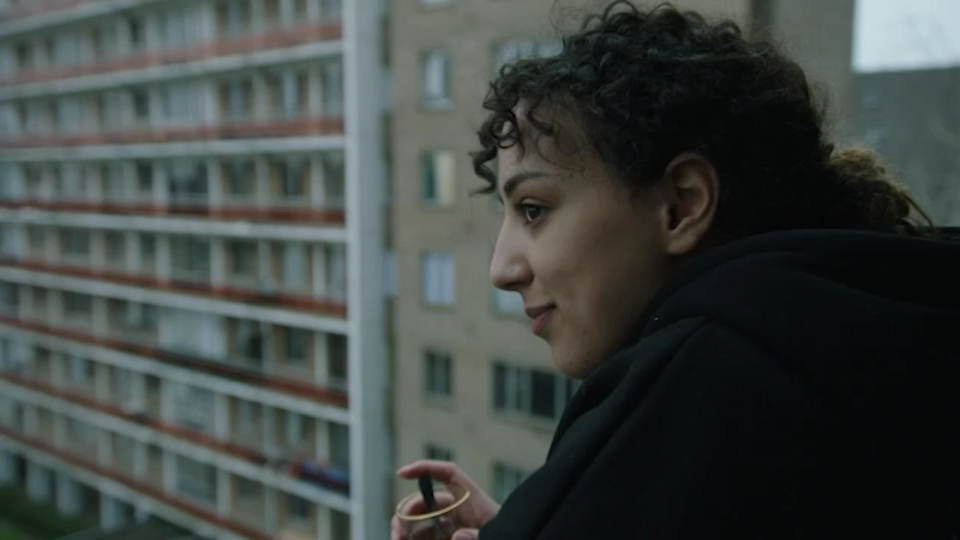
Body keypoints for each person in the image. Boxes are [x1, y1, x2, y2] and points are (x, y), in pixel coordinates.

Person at [393, 2, 960, 538]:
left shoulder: (697, 392)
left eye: (534, 210)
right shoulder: (865, 332)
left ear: (681, 205)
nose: (502, 269)